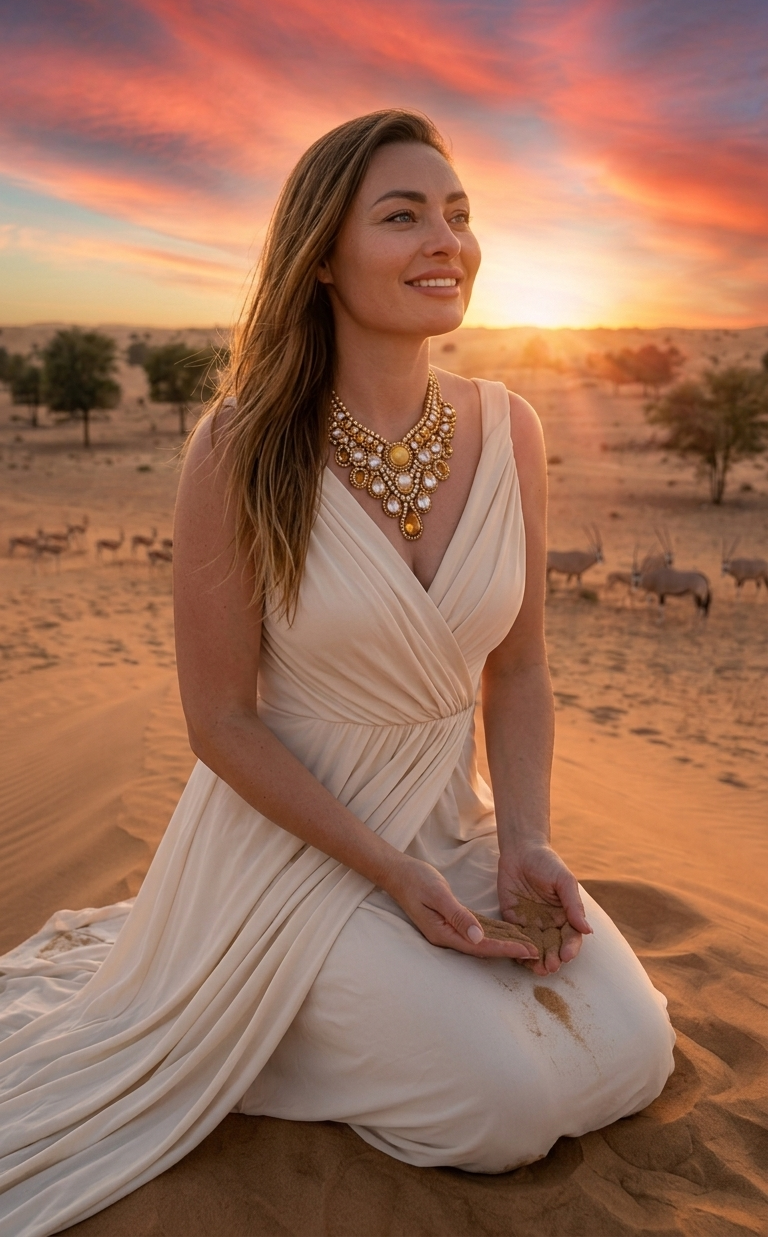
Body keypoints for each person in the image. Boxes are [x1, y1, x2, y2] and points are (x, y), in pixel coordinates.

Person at [0, 110, 674, 1234]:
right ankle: (233, 1002)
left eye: (459, 213)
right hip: (292, 845)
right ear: (321, 255)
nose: (445, 239)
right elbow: (220, 719)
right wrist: (383, 871)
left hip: (453, 824)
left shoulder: (510, 429)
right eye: (403, 214)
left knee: (632, 1052)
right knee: (502, 1112)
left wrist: (526, 839)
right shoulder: (239, 444)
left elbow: (521, 668)